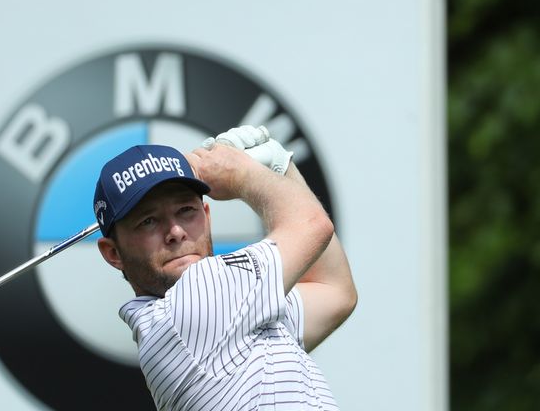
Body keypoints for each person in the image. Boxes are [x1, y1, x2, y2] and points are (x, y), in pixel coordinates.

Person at [93, 127, 357, 410]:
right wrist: (245, 172)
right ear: (113, 253)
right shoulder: (192, 306)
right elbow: (312, 225)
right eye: (148, 221)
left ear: (206, 217)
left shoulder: (238, 310)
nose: (176, 231)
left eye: (186, 210)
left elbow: (335, 291)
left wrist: (279, 168)